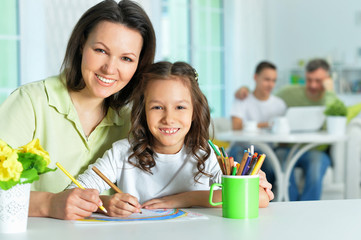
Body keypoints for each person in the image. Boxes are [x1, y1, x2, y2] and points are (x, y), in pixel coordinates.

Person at [0, 0, 156, 219]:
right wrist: (48, 204)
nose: (110, 68)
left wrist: (103, 203)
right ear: (82, 44)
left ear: (138, 65)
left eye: (126, 58)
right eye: (101, 50)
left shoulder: (131, 122)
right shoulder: (29, 103)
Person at [65, 61, 274, 218]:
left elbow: (261, 198)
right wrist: (106, 202)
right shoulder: (122, 153)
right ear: (142, 112)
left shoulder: (206, 154)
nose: (168, 119)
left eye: (180, 107)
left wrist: (182, 199)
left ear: (194, 112)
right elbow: (72, 194)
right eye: (157, 107)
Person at [235, 58, 339, 201]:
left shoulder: (332, 99)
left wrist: (330, 91)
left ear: (327, 80)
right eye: (309, 80)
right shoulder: (289, 93)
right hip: (289, 149)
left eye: (318, 80)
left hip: (315, 150)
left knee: (316, 167)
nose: (313, 85)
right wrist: (244, 89)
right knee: (282, 160)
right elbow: (264, 96)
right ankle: (290, 205)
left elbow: (337, 117)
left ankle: (307, 209)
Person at [228, 61, 286, 184]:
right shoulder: (242, 99)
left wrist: (253, 125)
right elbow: (236, 128)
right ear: (256, 78)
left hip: (268, 150)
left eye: (273, 80)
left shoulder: (279, 104)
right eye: (267, 79)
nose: (270, 84)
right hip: (243, 148)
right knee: (238, 155)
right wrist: (266, 124)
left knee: (271, 168)